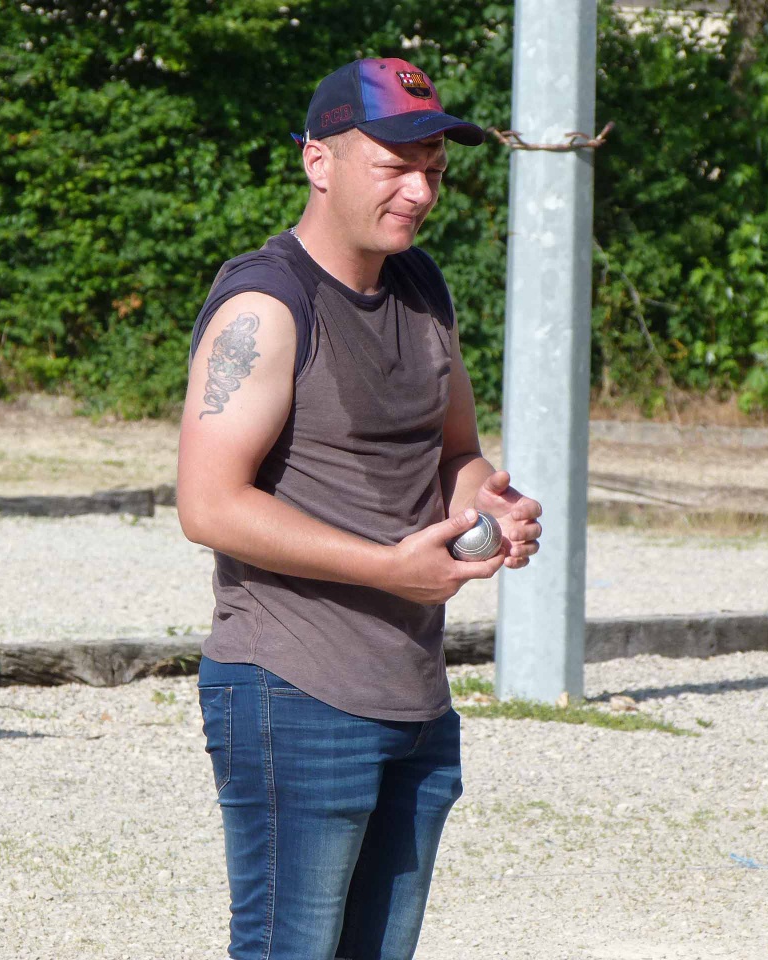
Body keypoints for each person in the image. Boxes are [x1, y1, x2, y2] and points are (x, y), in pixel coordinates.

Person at [177, 56, 543, 960]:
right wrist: (390, 568)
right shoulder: (266, 306)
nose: (420, 191)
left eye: (434, 170)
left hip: (414, 697)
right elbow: (207, 505)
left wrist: (489, 504)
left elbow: (455, 453)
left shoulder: (422, 288)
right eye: (395, 166)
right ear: (319, 161)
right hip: (291, 694)